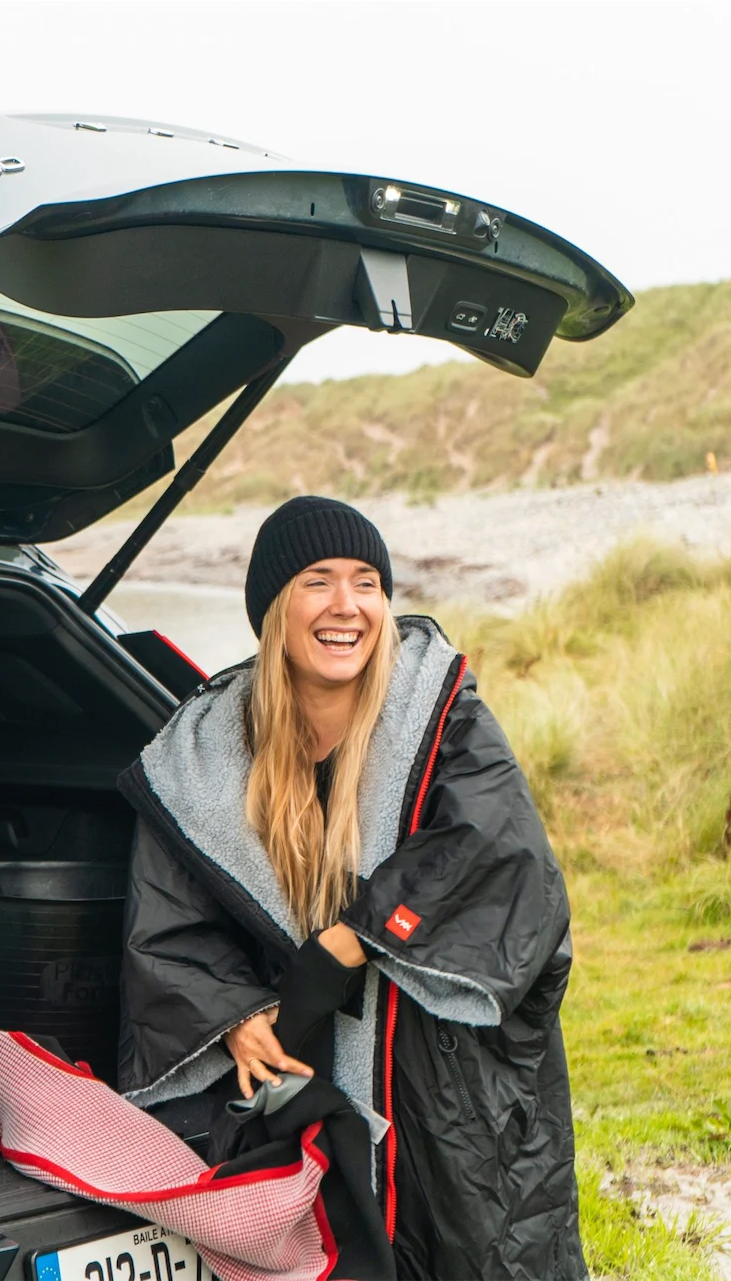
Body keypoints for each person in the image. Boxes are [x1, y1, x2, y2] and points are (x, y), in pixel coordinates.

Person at [117, 496, 584, 1281]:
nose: (348, 607)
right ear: (274, 607)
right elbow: (170, 924)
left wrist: (354, 935)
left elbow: (500, 851)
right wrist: (234, 1017)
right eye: (318, 581)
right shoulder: (207, 755)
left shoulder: (443, 716)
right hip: (295, 1066)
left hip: (432, 1074)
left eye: (367, 582)